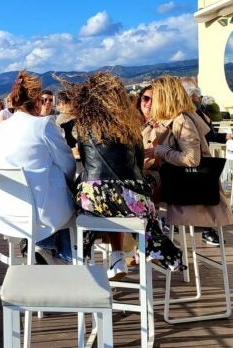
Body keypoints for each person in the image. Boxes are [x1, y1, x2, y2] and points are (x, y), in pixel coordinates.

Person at [64, 72, 183, 278]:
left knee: (105, 196)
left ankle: (116, 257)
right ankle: (147, 245)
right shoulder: (130, 127)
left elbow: (85, 162)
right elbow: (137, 165)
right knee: (128, 198)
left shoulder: (83, 128)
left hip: (93, 200)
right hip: (130, 201)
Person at [0, 70, 76, 264]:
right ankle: (64, 256)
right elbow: (68, 164)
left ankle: (44, 248)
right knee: (66, 189)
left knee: (50, 175)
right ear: (37, 100)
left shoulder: (3, 128)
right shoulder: (44, 125)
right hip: (39, 215)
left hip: (6, 213)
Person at [144, 76, 233, 246]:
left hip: (186, 194)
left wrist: (160, 150)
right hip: (181, 191)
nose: (152, 102)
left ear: (165, 97)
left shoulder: (182, 121)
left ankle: (145, 251)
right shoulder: (180, 118)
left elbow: (192, 159)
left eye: (155, 96)